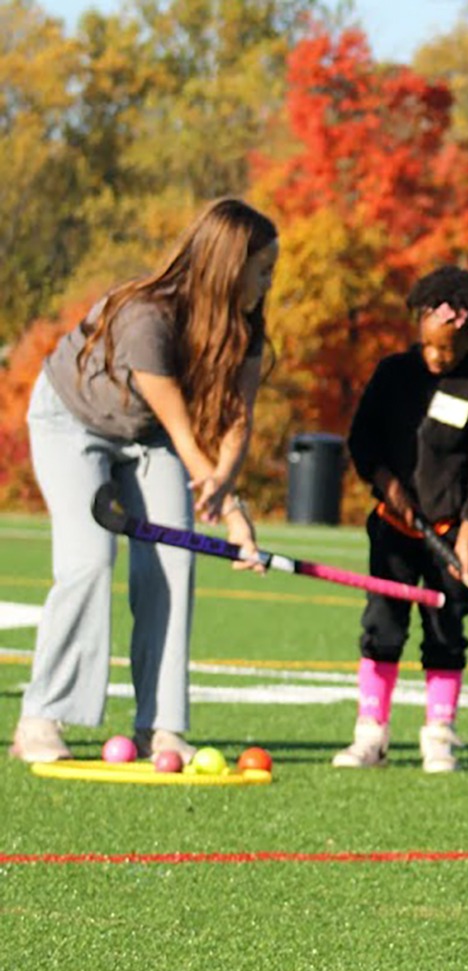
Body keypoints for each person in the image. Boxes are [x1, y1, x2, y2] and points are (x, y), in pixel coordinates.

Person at [9, 198, 277, 765]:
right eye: (262, 269)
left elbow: (235, 419)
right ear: (230, 266)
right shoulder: (147, 315)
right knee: (88, 560)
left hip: (148, 435)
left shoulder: (244, 327)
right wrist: (230, 515)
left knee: (174, 561)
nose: (268, 282)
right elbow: (183, 429)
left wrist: (228, 487)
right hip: (73, 421)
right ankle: (41, 717)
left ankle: (163, 726)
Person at [333, 266, 468, 774]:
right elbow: (362, 441)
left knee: (446, 631)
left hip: (451, 535)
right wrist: (387, 484)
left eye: (449, 350)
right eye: (431, 345)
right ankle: (371, 734)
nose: (437, 357)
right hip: (393, 528)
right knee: (382, 627)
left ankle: (438, 733)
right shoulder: (393, 375)